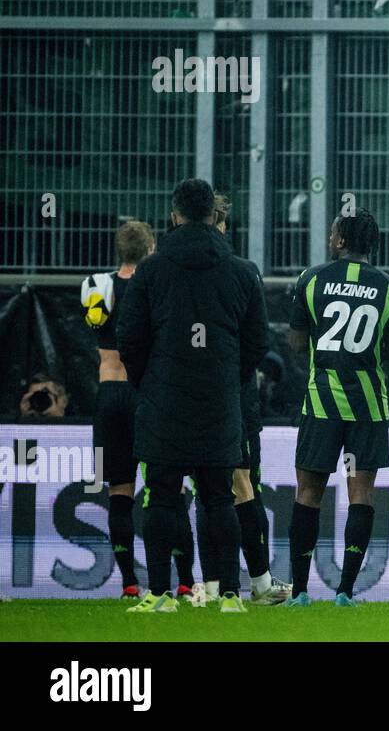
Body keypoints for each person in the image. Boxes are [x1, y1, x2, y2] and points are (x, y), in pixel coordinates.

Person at [115, 179, 269, 613]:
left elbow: (130, 338)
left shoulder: (152, 270)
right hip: (220, 400)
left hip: (164, 399)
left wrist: (151, 381)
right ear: (212, 215)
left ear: (175, 215)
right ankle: (231, 596)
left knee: (162, 494)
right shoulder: (241, 271)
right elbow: (258, 343)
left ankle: (161, 594)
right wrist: (226, 378)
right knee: (219, 494)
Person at [285, 208, 389, 607]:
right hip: (367, 408)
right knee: (361, 493)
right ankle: (345, 593)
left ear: (338, 240)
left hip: (321, 405)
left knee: (308, 492)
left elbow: (295, 343)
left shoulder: (311, 279)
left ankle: (300, 592)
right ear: (372, 244)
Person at [190, 194, 290, 607]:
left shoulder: (177, 272)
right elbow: (257, 342)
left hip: (193, 395)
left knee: (210, 487)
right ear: (223, 225)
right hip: (232, 397)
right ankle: (256, 583)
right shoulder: (241, 272)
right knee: (238, 484)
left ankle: (213, 583)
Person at [81, 220, 155, 598]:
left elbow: (95, 323)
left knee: (119, 492)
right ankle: (185, 583)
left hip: (109, 395)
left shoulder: (95, 285)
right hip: (144, 395)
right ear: (151, 249)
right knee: (163, 491)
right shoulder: (153, 287)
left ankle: (128, 582)